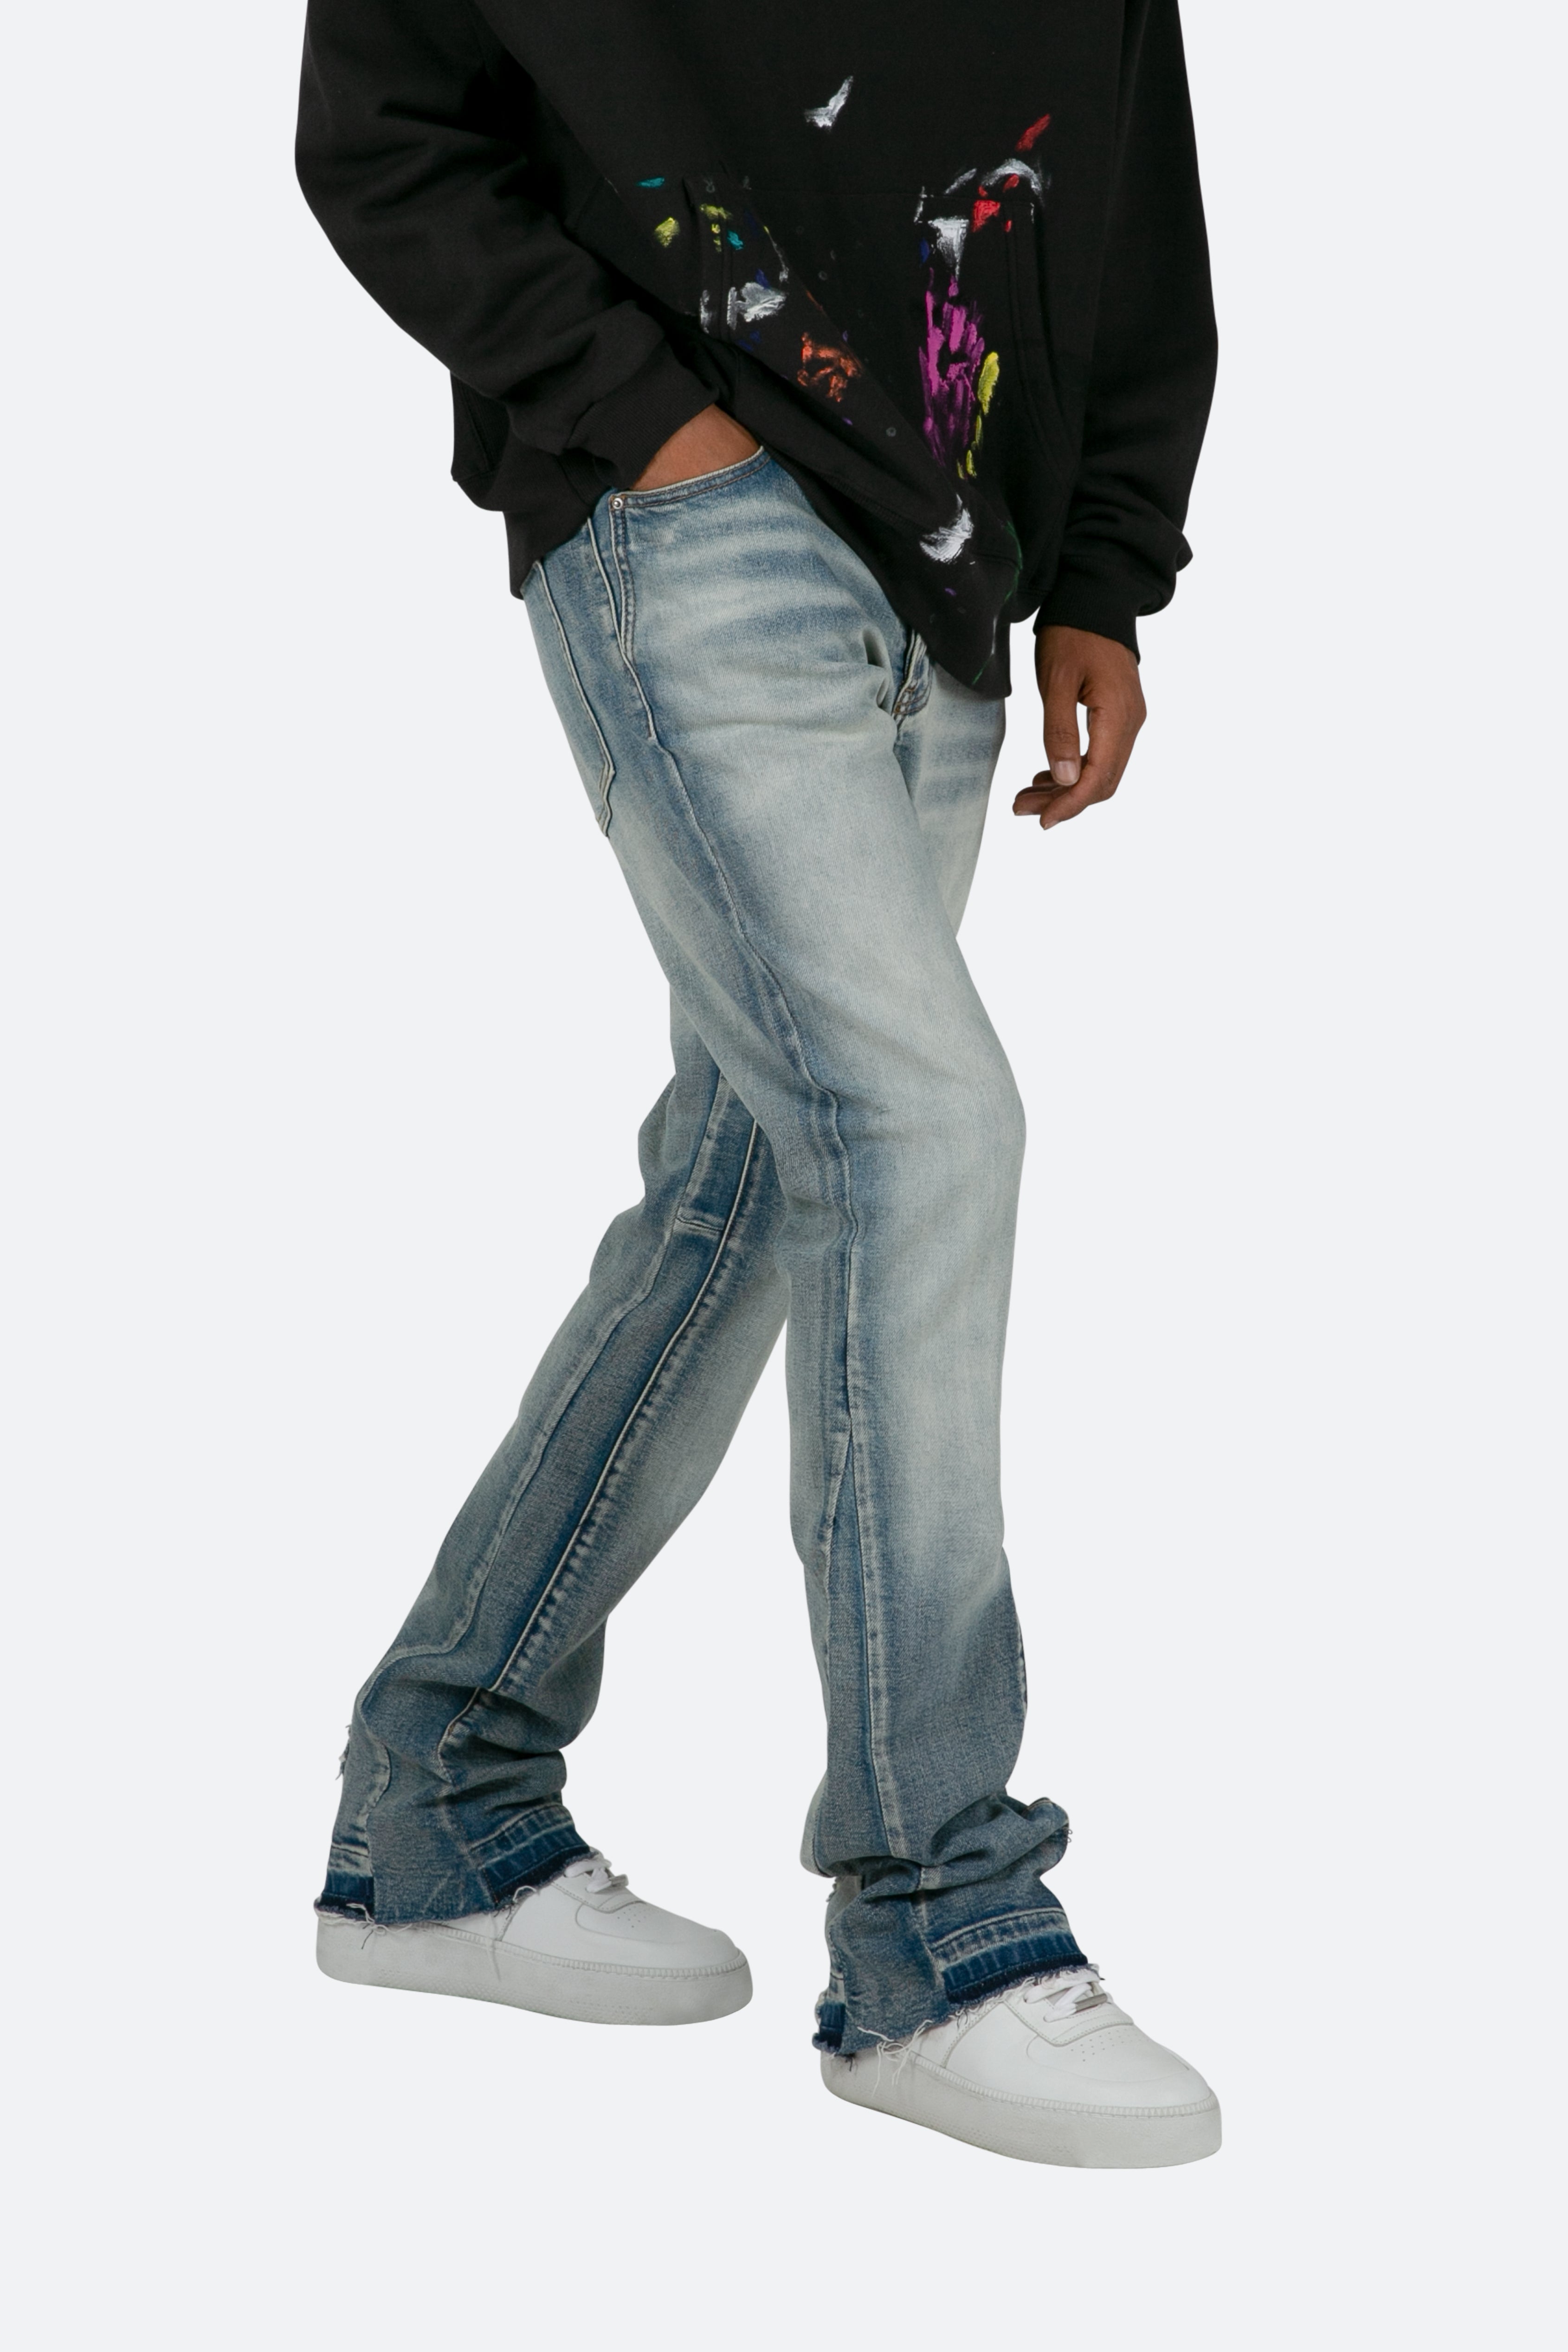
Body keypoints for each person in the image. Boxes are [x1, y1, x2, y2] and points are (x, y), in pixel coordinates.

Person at [297, 0, 1220, 2169]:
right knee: (918, 1133)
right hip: (692, 522)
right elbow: (387, 126)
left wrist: (1102, 568)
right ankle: (937, 1928)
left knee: (745, 1192)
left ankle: (440, 1798)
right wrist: (650, 428)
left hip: (955, 569)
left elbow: (1130, 194)